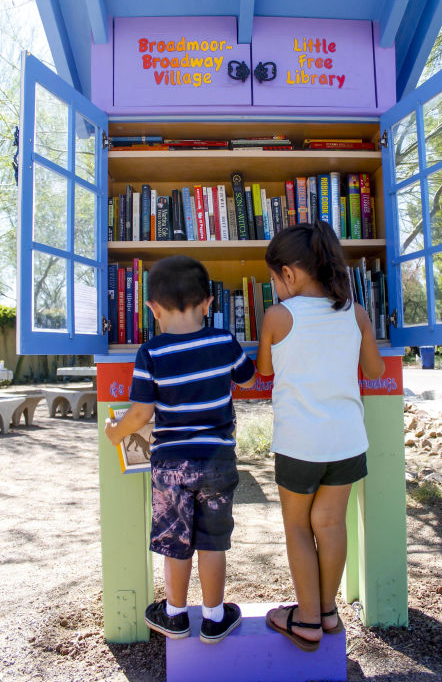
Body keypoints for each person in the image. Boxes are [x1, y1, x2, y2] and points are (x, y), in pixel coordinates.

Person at [105, 255, 256, 644]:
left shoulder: (150, 352)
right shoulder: (223, 341)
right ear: (209, 303)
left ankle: (173, 615)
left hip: (171, 464)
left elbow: (140, 414)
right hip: (218, 461)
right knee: (212, 542)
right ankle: (214, 617)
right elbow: (249, 377)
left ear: (152, 308)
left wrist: (115, 432)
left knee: (176, 540)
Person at [256, 221, 385, 652]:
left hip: (299, 445)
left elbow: (265, 371)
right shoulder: (356, 312)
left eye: (273, 279)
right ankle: (327, 612)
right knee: (330, 524)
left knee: (297, 526)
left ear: (288, 274)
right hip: (347, 441)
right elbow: (374, 371)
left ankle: (306, 619)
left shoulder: (278, 316)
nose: (275, 287)